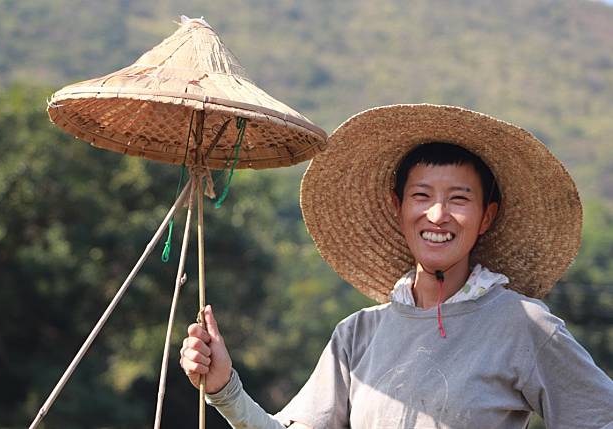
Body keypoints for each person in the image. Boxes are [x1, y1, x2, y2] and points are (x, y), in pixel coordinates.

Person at [180, 104, 613, 428]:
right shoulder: (357, 336)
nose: (438, 215)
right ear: (398, 207)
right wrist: (223, 387)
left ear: (487, 217)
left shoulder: (524, 326)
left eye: (459, 199)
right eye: (421, 195)